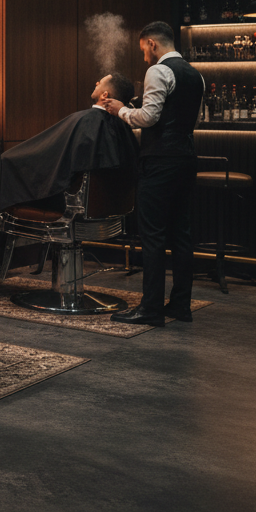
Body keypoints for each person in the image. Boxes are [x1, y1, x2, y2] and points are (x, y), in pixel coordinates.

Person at [98, 20, 205, 325]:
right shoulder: (195, 76)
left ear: (152, 43)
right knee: (181, 234)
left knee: (153, 236)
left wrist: (120, 110)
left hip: (160, 162)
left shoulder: (158, 70)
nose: (143, 55)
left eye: (143, 48)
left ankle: (151, 309)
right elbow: (182, 117)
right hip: (186, 159)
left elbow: (148, 117)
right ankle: (181, 306)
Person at [0, 73, 138, 211]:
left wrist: (7, 160)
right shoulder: (124, 128)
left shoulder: (87, 121)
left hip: (67, 202)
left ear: (104, 95)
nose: (96, 83)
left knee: (5, 162)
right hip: (113, 208)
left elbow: (48, 155)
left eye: (100, 83)